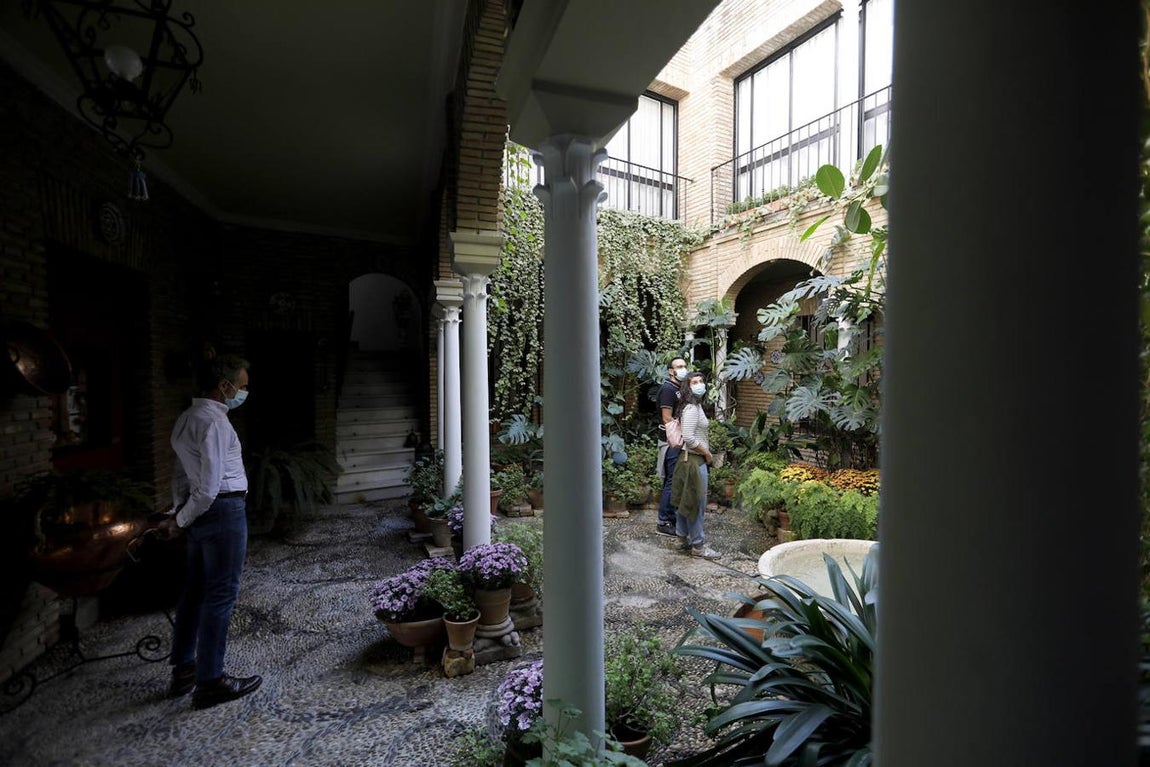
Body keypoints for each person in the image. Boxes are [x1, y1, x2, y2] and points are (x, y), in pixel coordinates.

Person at [157, 354, 263, 709]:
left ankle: (184, 668)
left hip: (202, 514)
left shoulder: (187, 418)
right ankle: (211, 681)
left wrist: (179, 512)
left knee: (195, 592)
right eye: (242, 386)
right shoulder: (214, 423)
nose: (243, 392)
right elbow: (210, 486)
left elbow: (182, 476)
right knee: (220, 596)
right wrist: (181, 519)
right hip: (222, 512)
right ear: (225, 386)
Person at [670, 371, 721, 559]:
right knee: (696, 504)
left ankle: (681, 538)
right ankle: (698, 546)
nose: (700, 384)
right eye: (694, 382)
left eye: (701, 381)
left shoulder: (694, 406)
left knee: (686, 500)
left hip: (688, 461)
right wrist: (707, 453)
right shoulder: (691, 408)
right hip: (694, 462)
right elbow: (689, 438)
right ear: (688, 387)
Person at [655, 356, 689, 538]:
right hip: (671, 441)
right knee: (671, 480)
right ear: (671, 371)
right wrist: (680, 438)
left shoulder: (679, 388)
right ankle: (664, 521)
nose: (683, 369)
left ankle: (671, 517)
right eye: (679, 366)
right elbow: (666, 418)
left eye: (684, 365)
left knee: (674, 480)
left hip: (677, 440)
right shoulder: (668, 389)